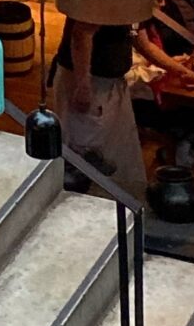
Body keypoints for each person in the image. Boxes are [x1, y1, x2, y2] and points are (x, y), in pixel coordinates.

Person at [49, 17, 148, 199]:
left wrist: (180, 71)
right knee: (85, 150)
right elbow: (81, 34)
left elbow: (143, 42)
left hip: (112, 84)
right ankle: (82, 199)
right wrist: (83, 85)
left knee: (116, 152)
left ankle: (115, 199)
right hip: (90, 83)